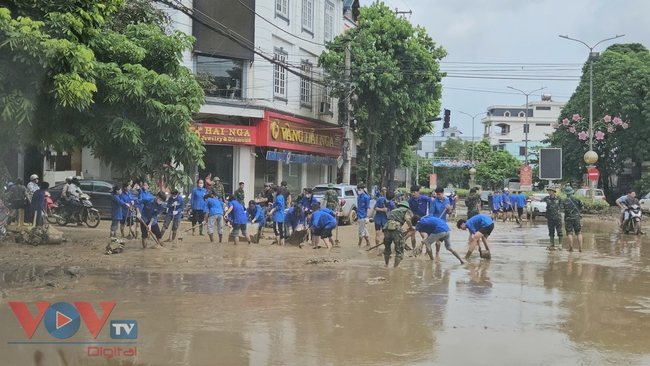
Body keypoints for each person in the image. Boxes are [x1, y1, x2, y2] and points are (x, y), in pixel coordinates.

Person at [382, 201, 414, 268]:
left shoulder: (393, 210)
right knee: (399, 250)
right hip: (396, 229)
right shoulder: (406, 210)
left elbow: (389, 218)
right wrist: (411, 227)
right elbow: (408, 220)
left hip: (387, 228)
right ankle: (395, 268)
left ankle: (386, 265)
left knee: (387, 248)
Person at [408, 186, 432, 250]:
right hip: (415, 219)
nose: (413, 194)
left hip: (423, 218)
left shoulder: (424, 198)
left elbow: (433, 200)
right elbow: (410, 209)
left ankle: (426, 249)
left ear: (418, 192)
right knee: (412, 234)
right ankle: (414, 249)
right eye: (412, 192)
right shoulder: (410, 200)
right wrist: (412, 216)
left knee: (423, 235)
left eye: (414, 192)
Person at [562, 186, 584, 252]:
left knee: (569, 233)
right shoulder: (577, 199)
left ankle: (571, 248)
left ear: (566, 193)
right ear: (572, 192)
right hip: (577, 218)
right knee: (578, 232)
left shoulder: (564, 201)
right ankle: (580, 247)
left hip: (568, 218)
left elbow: (562, 210)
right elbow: (582, 207)